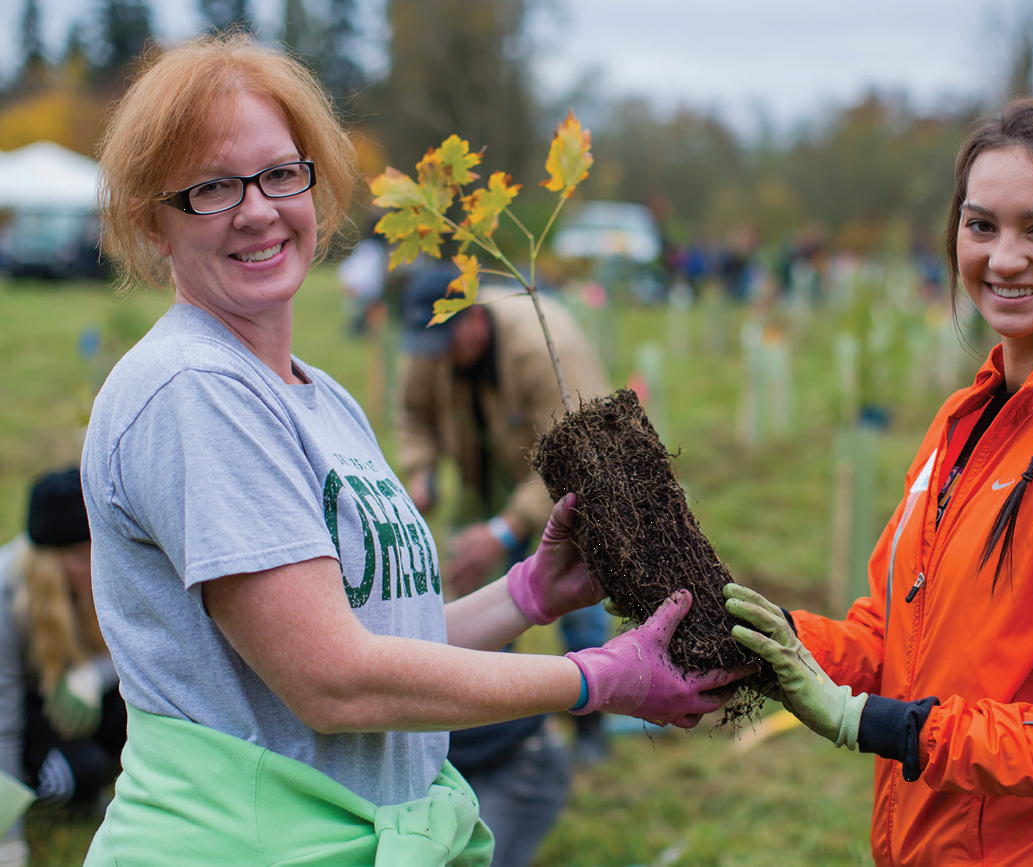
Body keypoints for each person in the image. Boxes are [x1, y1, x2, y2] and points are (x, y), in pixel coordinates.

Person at [81, 33, 745, 867]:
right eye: (211, 188)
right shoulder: (191, 389)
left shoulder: (320, 398)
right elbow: (334, 678)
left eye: (281, 173)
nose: (257, 208)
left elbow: (383, 640)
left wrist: (523, 595)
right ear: (153, 219)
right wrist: (592, 678)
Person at [723, 99, 1033, 867]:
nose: (1003, 258)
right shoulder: (960, 419)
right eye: (982, 226)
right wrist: (760, 637)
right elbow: (886, 639)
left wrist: (879, 725)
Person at [397, 264, 615, 766]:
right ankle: (498, 723)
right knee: (478, 597)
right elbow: (414, 415)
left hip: (566, 489)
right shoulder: (434, 341)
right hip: (484, 473)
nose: (437, 360)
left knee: (574, 591)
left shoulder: (543, 346)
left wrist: (505, 528)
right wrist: (422, 470)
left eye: (447, 344)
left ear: (474, 318)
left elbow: (581, 453)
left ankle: (591, 723)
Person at [0, 468, 125, 867]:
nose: (94, 562)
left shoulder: (113, 565)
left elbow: (142, 654)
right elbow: (4, 721)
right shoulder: (7, 599)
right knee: (72, 777)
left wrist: (94, 675)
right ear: (50, 562)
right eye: (79, 555)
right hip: (22, 703)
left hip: (78, 684)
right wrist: (8, 838)